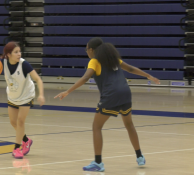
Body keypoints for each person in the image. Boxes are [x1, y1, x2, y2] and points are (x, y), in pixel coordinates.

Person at [54, 37, 160, 171]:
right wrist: (148, 76)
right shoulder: (113, 58)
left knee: (96, 126)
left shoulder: (94, 61)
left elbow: (86, 77)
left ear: (91, 50)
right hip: (126, 92)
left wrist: (68, 91)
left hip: (111, 95)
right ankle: (140, 156)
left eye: (86, 49)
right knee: (129, 124)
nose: (87, 52)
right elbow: (131, 69)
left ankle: (98, 162)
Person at [0, 41, 45, 159]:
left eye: (19, 51)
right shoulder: (2, 63)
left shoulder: (24, 65)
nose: (19, 54)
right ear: (8, 54)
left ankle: (17, 148)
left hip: (26, 94)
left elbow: (38, 79)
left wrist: (41, 95)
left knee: (20, 121)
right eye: (16, 52)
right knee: (13, 122)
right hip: (13, 95)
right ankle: (26, 140)